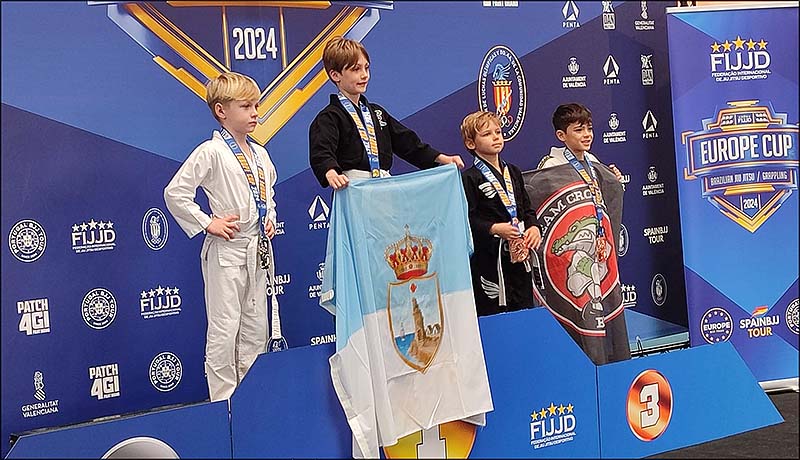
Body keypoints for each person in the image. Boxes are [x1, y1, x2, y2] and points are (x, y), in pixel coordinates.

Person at [164, 72, 277, 401]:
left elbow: (268, 197)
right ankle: (224, 403)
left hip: (256, 249)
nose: (255, 112)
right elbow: (176, 193)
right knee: (225, 331)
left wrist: (269, 218)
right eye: (246, 106)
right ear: (221, 110)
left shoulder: (261, 156)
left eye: (256, 105)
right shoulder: (210, 152)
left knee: (256, 331)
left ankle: (251, 399)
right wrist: (206, 222)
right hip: (226, 252)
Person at [530, 102, 630, 365]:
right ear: (561, 136)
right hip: (567, 259)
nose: (586, 135)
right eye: (578, 130)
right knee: (576, 311)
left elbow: (603, 202)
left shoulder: (594, 162)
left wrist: (612, 182)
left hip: (598, 254)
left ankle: (606, 361)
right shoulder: (552, 165)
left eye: (589, 129)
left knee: (600, 310)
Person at [309, 36, 464, 189]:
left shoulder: (377, 113)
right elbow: (322, 151)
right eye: (356, 69)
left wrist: (443, 159)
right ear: (335, 75)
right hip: (352, 188)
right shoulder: (329, 117)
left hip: (384, 186)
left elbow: (407, 143)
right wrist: (330, 172)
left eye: (366, 67)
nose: (364, 75)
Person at [460, 111, 542, 317]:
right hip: (489, 257)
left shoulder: (512, 171)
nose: (496, 137)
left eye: (498, 131)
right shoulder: (470, 178)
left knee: (523, 308)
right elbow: (466, 218)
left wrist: (533, 227)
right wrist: (493, 228)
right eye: (487, 134)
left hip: (518, 252)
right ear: (471, 143)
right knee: (494, 311)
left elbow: (526, 207)